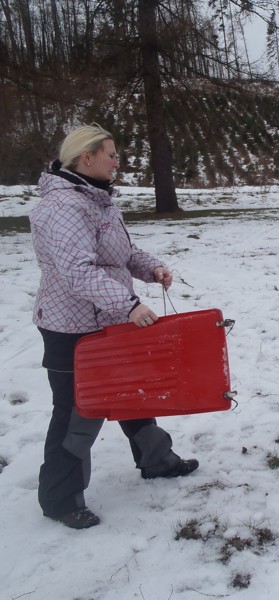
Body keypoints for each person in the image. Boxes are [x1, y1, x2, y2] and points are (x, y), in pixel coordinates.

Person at [30, 124, 199, 529]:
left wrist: (151, 267)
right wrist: (129, 305)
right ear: (86, 158)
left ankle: (157, 461)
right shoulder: (64, 207)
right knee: (77, 410)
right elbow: (77, 272)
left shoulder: (98, 199)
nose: (116, 160)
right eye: (110, 153)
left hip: (109, 318)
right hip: (71, 327)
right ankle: (60, 499)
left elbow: (121, 253)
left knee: (133, 394)